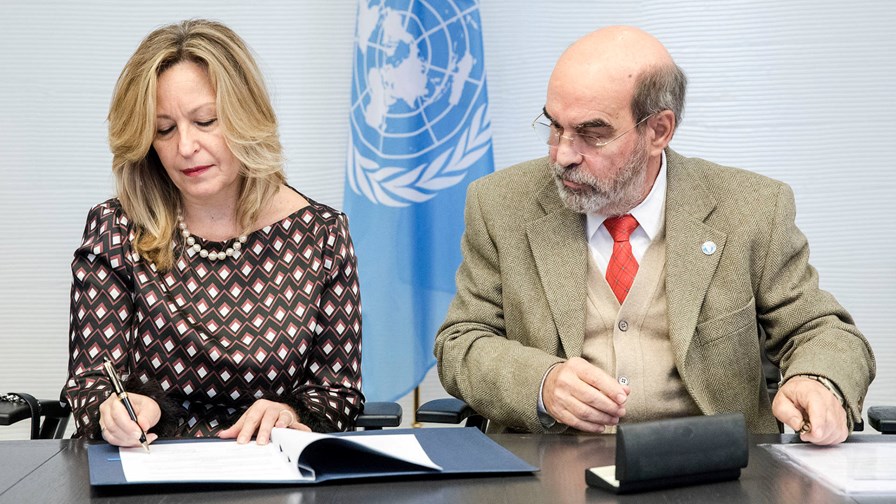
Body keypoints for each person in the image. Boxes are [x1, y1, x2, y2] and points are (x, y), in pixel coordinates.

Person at [434, 26, 875, 445]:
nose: (563, 154)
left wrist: (818, 383)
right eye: (554, 126)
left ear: (658, 130)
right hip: (549, 470)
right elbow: (461, 342)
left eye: (592, 133)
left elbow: (822, 330)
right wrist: (541, 384)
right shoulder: (500, 204)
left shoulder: (752, 209)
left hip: (712, 470)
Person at [63, 19, 363, 447]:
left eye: (205, 121)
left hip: (270, 470)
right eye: (164, 129)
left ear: (246, 117)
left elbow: (338, 394)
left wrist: (291, 411)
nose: (185, 147)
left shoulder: (321, 234)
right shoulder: (115, 228)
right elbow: (90, 384)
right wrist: (119, 409)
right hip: (149, 468)